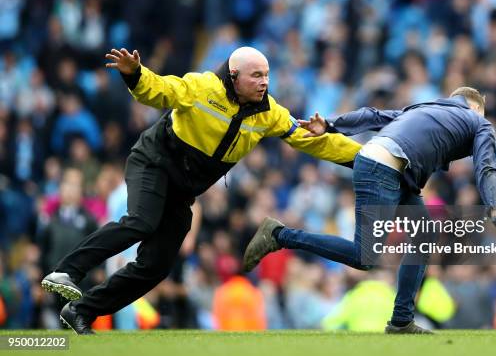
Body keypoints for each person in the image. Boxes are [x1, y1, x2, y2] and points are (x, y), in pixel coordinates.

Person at [41, 46, 361, 334]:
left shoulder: (270, 113)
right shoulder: (203, 86)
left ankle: (82, 310)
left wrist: (366, 161)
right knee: (141, 222)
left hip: (182, 191)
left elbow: (313, 140)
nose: (265, 81)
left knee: (157, 266)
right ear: (234, 77)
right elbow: (163, 90)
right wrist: (136, 73)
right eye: (256, 75)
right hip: (153, 163)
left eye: (267, 75)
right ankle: (66, 272)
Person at [243, 87, 496, 334]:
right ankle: (279, 235)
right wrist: (492, 206)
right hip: (384, 169)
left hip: (384, 165)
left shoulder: (422, 108)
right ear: (477, 106)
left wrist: (330, 123)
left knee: (424, 235)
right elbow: (486, 166)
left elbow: (373, 116)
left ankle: (401, 320)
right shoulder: (479, 120)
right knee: (365, 257)